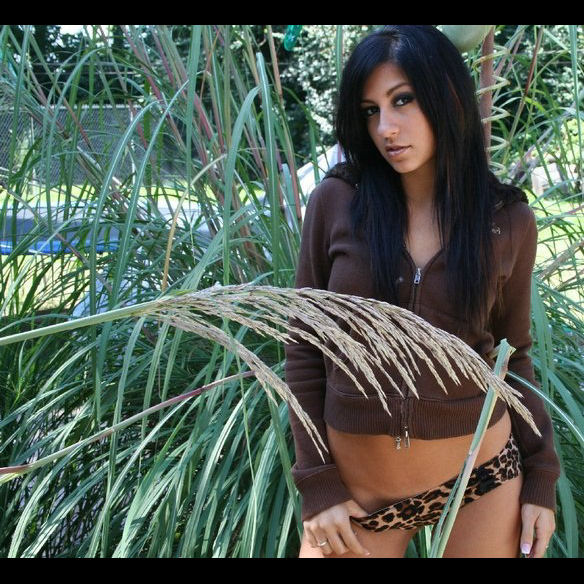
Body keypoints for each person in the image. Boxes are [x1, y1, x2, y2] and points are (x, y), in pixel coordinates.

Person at [284, 25, 561, 558]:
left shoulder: (506, 221)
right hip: (359, 496)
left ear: (448, 96)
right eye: (370, 111)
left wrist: (540, 477)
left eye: (402, 100)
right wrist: (317, 485)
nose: (385, 128)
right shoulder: (336, 201)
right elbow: (303, 349)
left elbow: (513, 356)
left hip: (482, 476)